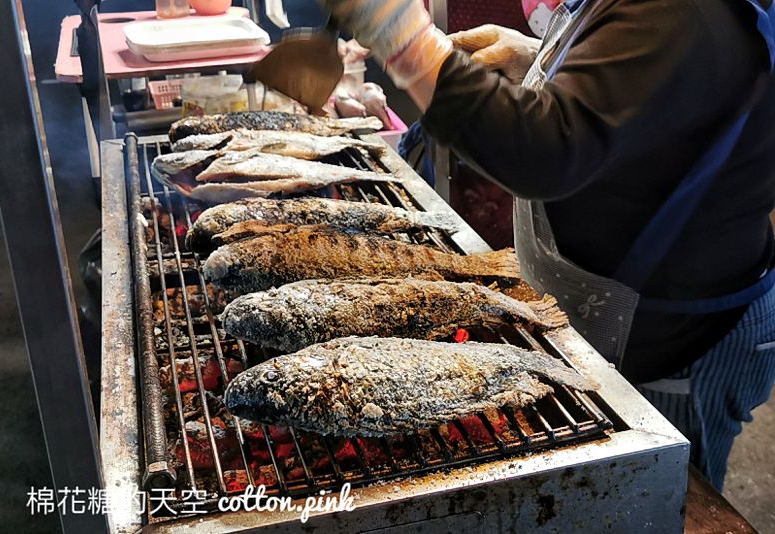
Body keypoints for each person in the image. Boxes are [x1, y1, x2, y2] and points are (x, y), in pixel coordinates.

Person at [316, 0, 775, 490]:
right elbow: (662, 79)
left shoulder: (677, 8)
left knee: (665, 498)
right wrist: (545, 62)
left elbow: (543, 155)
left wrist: (408, 41)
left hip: (685, 336)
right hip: (628, 307)